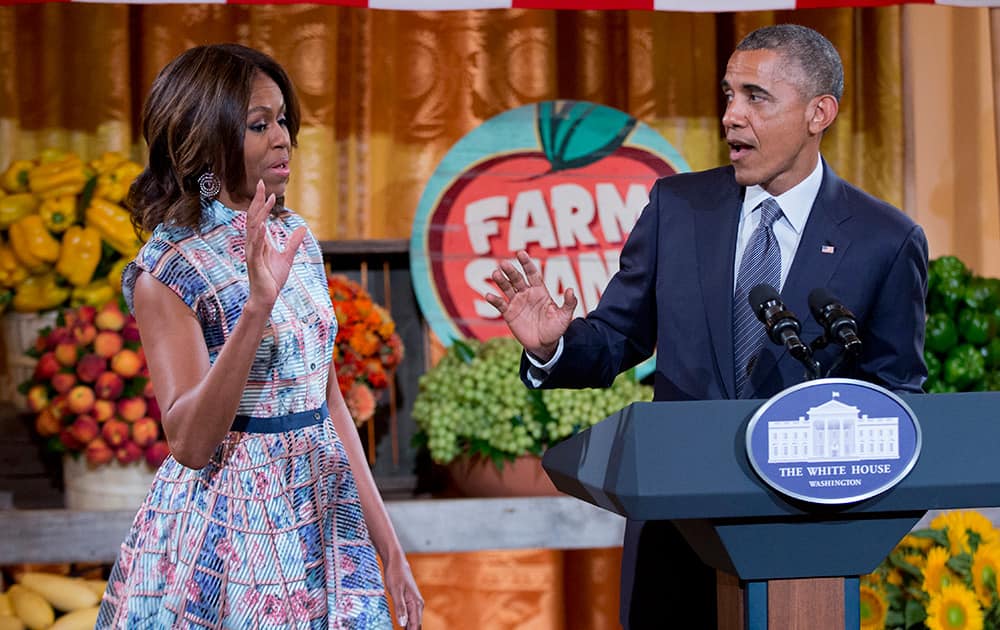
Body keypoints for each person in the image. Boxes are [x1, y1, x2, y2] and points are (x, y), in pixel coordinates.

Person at [486, 24, 927, 629]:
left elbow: (898, 396)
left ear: (819, 112)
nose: (730, 116)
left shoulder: (885, 239)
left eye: (755, 97)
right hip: (678, 534)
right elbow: (618, 339)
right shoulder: (678, 208)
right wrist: (553, 345)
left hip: (806, 542)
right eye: (727, 95)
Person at [96, 44, 423, 629]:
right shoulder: (168, 269)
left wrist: (389, 546)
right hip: (234, 528)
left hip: (323, 508)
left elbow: (327, 403)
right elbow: (191, 444)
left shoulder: (295, 236)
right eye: (258, 124)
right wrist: (256, 310)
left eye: (283, 121)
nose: (283, 139)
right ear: (203, 142)